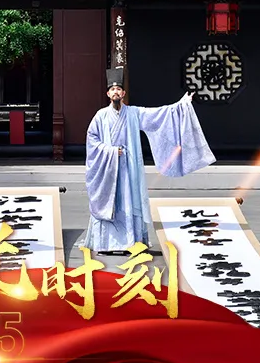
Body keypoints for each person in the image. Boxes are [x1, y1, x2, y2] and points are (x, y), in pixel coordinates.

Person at [80, 68, 215, 253]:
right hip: (108, 169)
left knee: (129, 200)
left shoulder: (134, 113)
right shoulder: (100, 116)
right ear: (108, 94)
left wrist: (181, 105)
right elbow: (92, 139)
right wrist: (110, 151)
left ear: (123, 93)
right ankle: (105, 244)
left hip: (128, 168)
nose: (116, 92)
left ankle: (130, 242)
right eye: (112, 90)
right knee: (109, 201)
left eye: (118, 89)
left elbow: (159, 115)